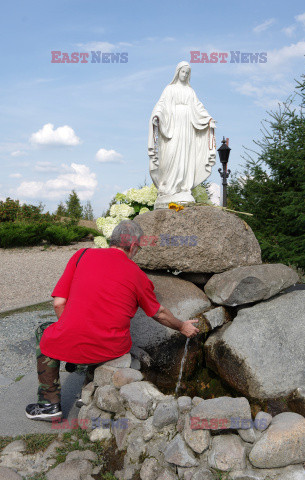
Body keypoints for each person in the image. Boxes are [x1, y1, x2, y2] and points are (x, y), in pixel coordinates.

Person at [25, 220, 199, 421]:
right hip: (111, 349)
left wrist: (69, 331)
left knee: (44, 331)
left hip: (75, 340)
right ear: (133, 246)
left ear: (112, 240)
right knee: (102, 335)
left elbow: (58, 303)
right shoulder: (137, 274)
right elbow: (159, 313)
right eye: (139, 248)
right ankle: (87, 394)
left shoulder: (81, 255)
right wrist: (182, 326)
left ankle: (49, 405)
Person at [148, 60, 216, 208]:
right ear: (177, 72)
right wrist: (157, 116)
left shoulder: (190, 91)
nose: (184, 75)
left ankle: (183, 187)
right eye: (182, 71)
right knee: (171, 155)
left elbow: (198, 107)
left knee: (185, 157)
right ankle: (168, 188)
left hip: (187, 127)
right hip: (172, 126)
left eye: (187, 72)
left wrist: (208, 119)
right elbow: (161, 105)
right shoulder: (169, 89)